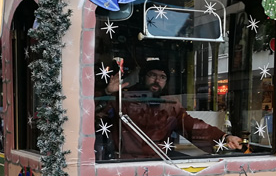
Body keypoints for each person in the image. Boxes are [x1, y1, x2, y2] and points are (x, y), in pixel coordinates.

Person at [99, 60, 242, 158]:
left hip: (161, 160)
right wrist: (107, 93)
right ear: (143, 77)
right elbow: (95, 115)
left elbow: (192, 125)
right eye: (152, 75)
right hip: (126, 163)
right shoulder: (123, 98)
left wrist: (223, 137)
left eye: (162, 77)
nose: (157, 80)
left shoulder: (169, 104)